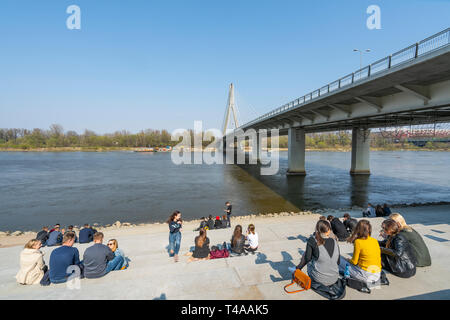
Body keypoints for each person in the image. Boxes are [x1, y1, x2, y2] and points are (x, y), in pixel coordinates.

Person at [296, 220, 345, 299]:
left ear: (317, 230)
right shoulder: (334, 241)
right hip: (334, 278)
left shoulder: (312, 240)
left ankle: (298, 268)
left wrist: (300, 267)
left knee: (305, 254)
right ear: (329, 230)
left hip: (319, 279)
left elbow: (307, 259)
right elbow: (338, 262)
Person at [339, 220, 381, 284]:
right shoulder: (375, 240)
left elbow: (354, 262)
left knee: (340, 260)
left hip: (366, 276)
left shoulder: (358, 242)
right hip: (377, 274)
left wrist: (348, 260)